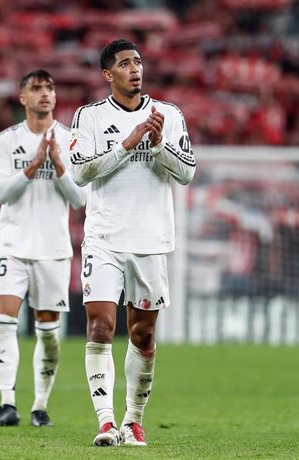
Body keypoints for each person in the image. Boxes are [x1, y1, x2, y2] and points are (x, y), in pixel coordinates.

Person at [69, 39, 196, 447]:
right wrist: (126, 145)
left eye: (137, 62)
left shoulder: (169, 116)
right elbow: (80, 174)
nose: (134, 69)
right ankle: (105, 422)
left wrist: (157, 145)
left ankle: (133, 420)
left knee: (142, 335)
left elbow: (187, 173)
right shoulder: (89, 117)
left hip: (150, 240)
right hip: (104, 237)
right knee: (101, 326)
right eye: (124, 64)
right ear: (108, 75)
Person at [0, 69, 87, 428]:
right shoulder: (5, 140)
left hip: (53, 248)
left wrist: (58, 165)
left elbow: (80, 198)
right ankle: (7, 403)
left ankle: (40, 406)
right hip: (12, 244)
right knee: (5, 319)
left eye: (50, 88)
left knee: (48, 330)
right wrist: (31, 167)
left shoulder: (72, 140)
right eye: (36, 88)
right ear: (23, 97)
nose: (45, 94)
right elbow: (1, 194)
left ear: (55, 97)